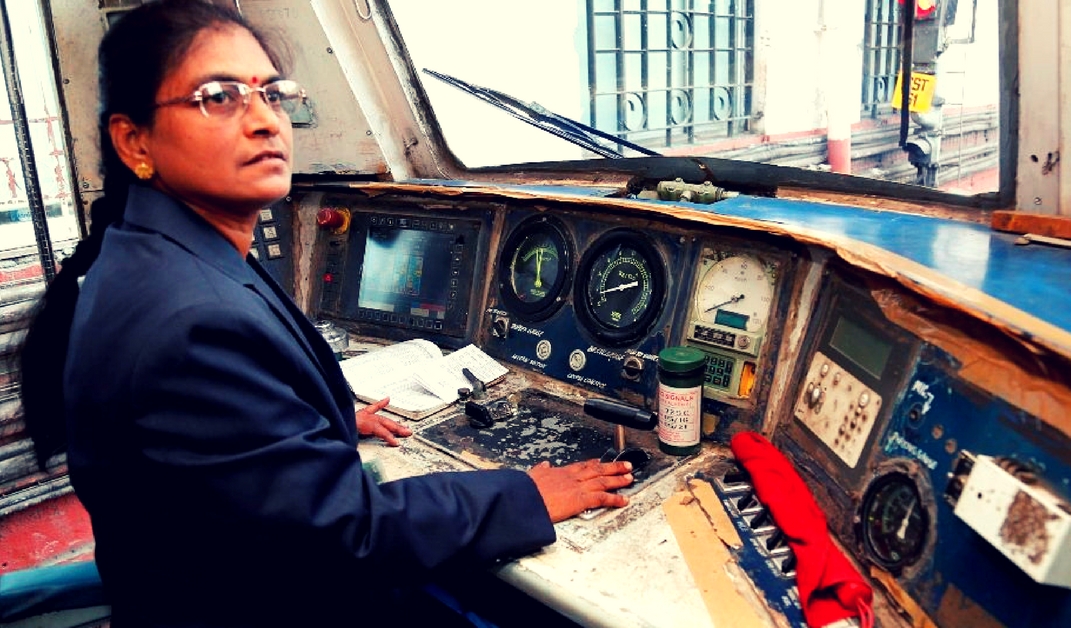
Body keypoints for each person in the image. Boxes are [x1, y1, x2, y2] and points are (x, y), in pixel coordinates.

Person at [18, 1, 633, 625]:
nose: (265, 122)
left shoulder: (152, 253)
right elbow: (346, 535)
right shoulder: (189, 320)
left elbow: (226, 453)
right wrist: (524, 494)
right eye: (219, 97)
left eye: (271, 94)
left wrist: (314, 421)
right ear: (134, 140)